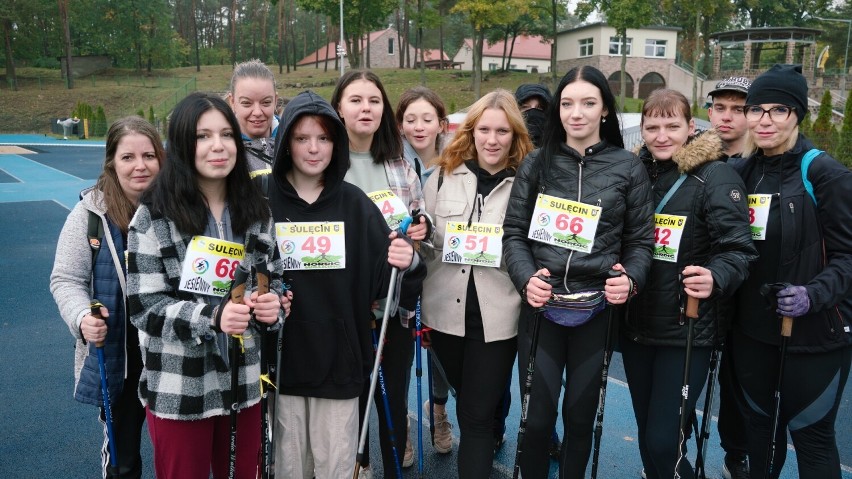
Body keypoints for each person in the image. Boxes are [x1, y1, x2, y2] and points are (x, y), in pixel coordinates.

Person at [502, 65, 655, 479]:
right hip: (542, 308)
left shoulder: (628, 167)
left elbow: (641, 243)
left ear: (605, 108)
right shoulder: (537, 164)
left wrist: (631, 279)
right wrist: (526, 277)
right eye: (568, 103)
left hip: (596, 311)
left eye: (588, 103)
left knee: (580, 417)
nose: (577, 113)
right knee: (536, 423)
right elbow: (513, 234)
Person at [126, 92, 286, 479]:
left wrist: (273, 306)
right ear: (182, 145)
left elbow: (274, 279)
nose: (218, 146)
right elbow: (145, 306)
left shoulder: (257, 212)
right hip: (181, 387)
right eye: (203, 136)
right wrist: (211, 317)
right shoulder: (153, 217)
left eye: (227, 135)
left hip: (244, 383)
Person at [267, 90, 424, 478]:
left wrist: (406, 262)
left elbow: (390, 280)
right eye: (302, 138)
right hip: (280, 365)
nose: (313, 149)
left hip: (340, 365)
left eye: (323, 138)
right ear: (286, 142)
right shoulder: (262, 199)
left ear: (336, 143)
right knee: (288, 469)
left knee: (337, 469)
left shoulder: (355, 202)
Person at [624, 88, 757, 479]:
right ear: (642, 130)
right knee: (650, 438)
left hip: (686, 330)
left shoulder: (716, 176)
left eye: (672, 125)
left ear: (691, 128)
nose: (661, 135)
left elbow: (739, 250)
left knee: (665, 440)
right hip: (636, 326)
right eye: (652, 126)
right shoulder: (634, 173)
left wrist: (716, 275)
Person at [728, 64, 852, 479]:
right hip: (753, 335)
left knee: (812, 438)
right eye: (756, 109)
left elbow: (848, 258)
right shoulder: (739, 174)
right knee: (761, 434)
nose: (764, 121)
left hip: (814, 338)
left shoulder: (824, 174)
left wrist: (813, 294)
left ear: (797, 114)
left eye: (778, 109)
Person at [419, 89, 532, 478]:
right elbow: (428, 244)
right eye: (484, 129)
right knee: (467, 400)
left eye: (502, 131)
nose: (492, 139)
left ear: (515, 136)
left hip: (498, 319)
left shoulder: (528, 182)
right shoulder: (441, 176)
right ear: (471, 131)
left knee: (477, 415)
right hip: (444, 315)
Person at [51, 116, 164, 478]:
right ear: (112, 162)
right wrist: (83, 316)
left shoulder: (179, 210)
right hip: (121, 357)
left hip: (172, 356)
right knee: (123, 461)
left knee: (177, 457)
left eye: (148, 155)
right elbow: (66, 279)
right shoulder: (89, 216)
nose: (140, 166)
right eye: (128, 157)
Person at [330, 70, 430, 478]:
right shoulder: (325, 164)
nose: (366, 108)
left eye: (373, 100)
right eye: (355, 100)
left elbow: (419, 232)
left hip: (393, 308)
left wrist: (421, 230)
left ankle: (392, 469)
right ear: (338, 107)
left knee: (394, 402)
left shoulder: (400, 166)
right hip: (342, 311)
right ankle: (359, 468)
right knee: (350, 404)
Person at [395, 86, 455, 460]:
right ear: (400, 125)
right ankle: (401, 425)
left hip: (443, 272)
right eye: (410, 119)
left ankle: (438, 410)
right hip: (400, 274)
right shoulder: (391, 166)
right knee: (398, 354)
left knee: (440, 355)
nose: (419, 127)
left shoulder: (456, 166)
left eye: (426, 119)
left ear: (441, 124)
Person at [706, 76, 753, 479]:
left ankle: (735, 453)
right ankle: (673, 451)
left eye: (738, 109)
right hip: (700, 292)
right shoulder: (694, 160)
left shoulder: (764, 164)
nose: (727, 117)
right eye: (720, 108)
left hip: (751, 292)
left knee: (738, 383)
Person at [227, 59, 279, 178]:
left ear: (275, 100)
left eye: (266, 102)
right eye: (246, 103)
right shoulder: (222, 149)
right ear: (232, 101)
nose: (257, 112)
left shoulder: (293, 141)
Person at [514, 83, 552, 148]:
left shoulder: (560, 149)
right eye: (525, 107)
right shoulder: (508, 149)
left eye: (539, 108)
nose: (533, 112)